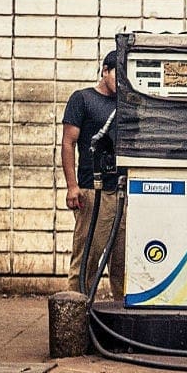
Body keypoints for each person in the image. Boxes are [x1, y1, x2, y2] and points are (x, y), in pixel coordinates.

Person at [61, 49, 125, 298]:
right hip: (93, 190)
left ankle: (122, 316)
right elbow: (68, 142)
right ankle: (76, 310)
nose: (121, 82)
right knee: (87, 257)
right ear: (104, 71)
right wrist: (72, 186)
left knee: (122, 261)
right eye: (117, 75)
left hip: (123, 190)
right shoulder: (83, 99)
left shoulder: (127, 104)